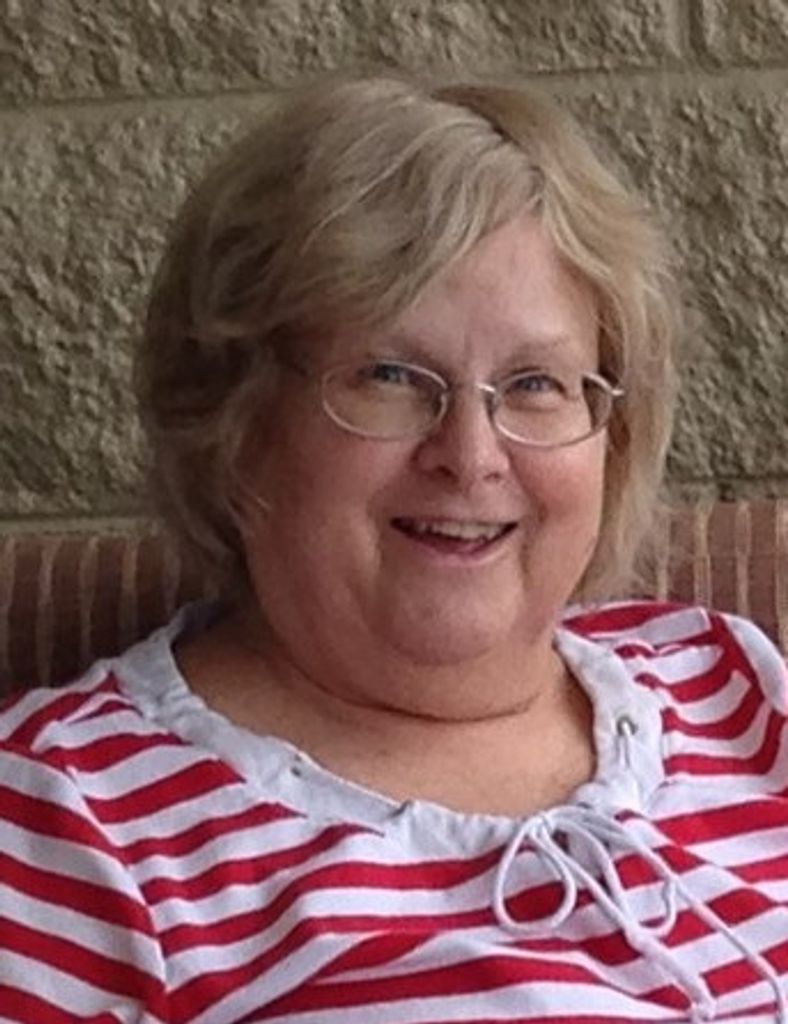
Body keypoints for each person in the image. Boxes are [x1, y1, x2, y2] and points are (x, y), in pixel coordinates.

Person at [1, 73, 786, 1024]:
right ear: (235, 421)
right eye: (389, 376)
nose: (471, 454)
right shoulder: (67, 822)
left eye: (535, 384)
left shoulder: (732, 686)